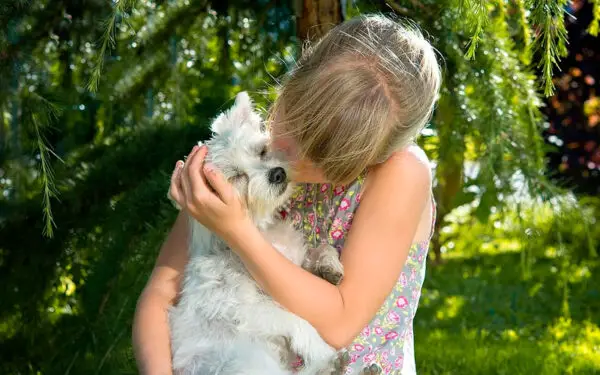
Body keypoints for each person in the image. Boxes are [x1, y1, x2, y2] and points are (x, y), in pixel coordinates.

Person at [132, 14, 441, 375]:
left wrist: (236, 230)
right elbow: (160, 296)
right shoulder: (247, 155)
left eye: (322, 156)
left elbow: (340, 321)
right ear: (296, 77)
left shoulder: (401, 174)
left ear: (375, 157)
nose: (287, 156)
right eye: (291, 120)